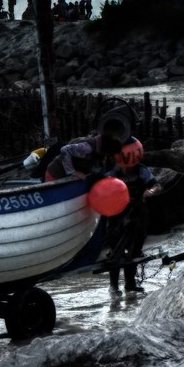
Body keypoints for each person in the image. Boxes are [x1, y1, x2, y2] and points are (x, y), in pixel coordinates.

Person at [45, 119, 154, 295]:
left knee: (131, 246)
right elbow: (64, 150)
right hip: (56, 175)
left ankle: (128, 284)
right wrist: (73, 171)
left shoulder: (135, 169)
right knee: (116, 246)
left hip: (80, 185)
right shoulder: (87, 147)